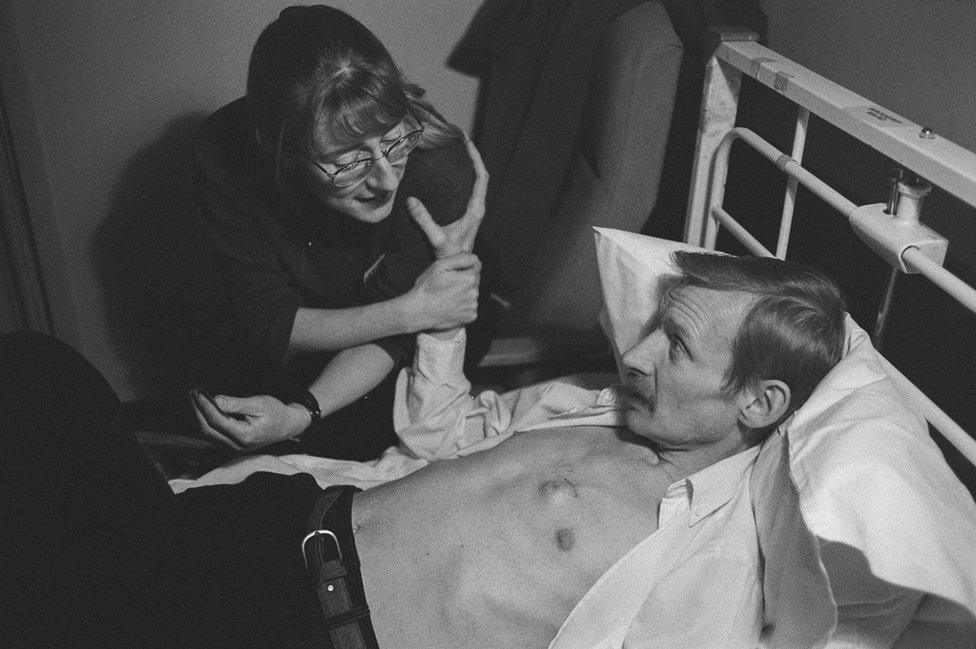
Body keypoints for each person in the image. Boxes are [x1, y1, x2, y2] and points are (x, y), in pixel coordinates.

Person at [0, 251, 847, 649]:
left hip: (309, 630)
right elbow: (449, 432)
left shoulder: (715, 554)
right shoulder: (595, 402)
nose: (639, 351)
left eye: (679, 346)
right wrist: (440, 313)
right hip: (284, 521)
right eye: (655, 326)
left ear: (758, 401)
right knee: (41, 375)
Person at [190, 4, 498, 460]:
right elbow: (268, 322)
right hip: (365, 317)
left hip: (428, 320)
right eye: (347, 160)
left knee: (350, 446)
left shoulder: (441, 170)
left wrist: (303, 412)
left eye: (395, 139)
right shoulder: (222, 153)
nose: (386, 180)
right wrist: (412, 310)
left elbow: (400, 338)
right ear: (277, 149)